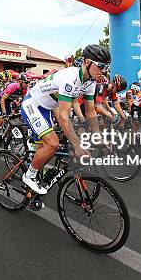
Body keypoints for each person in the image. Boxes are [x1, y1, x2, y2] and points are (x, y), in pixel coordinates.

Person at [20, 44, 108, 194]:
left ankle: (36, 161)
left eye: (106, 67)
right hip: (32, 104)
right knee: (53, 143)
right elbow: (63, 117)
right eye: (101, 66)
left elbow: (91, 111)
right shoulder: (70, 78)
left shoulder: (90, 81)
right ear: (87, 62)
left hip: (47, 107)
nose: (104, 71)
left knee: (52, 145)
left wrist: (98, 137)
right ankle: (29, 176)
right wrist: (77, 146)